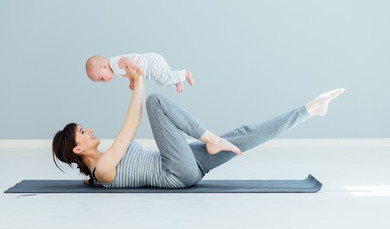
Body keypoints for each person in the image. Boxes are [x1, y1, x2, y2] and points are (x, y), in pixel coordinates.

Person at [53, 60, 345, 188]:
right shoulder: (102, 170)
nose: (89, 130)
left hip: (184, 162)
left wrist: (135, 80)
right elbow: (132, 122)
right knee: (155, 102)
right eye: (83, 131)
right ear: (78, 149)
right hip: (176, 172)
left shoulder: (103, 164)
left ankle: (309, 110)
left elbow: (131, 124)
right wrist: (138, 79)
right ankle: (210, 138)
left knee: (242, 134)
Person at [85, 52, 193, 93]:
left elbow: (125, 60)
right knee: (162, 81)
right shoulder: (116, 69)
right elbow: (128, 70)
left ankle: (185, 74)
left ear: (103, 66)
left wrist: (137, 68)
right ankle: (178, 81)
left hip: (150, 62)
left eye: (101, 79)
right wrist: (131, 80)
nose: (104, 82)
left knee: (164, 78)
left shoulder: (113, 63)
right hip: (150, 66)